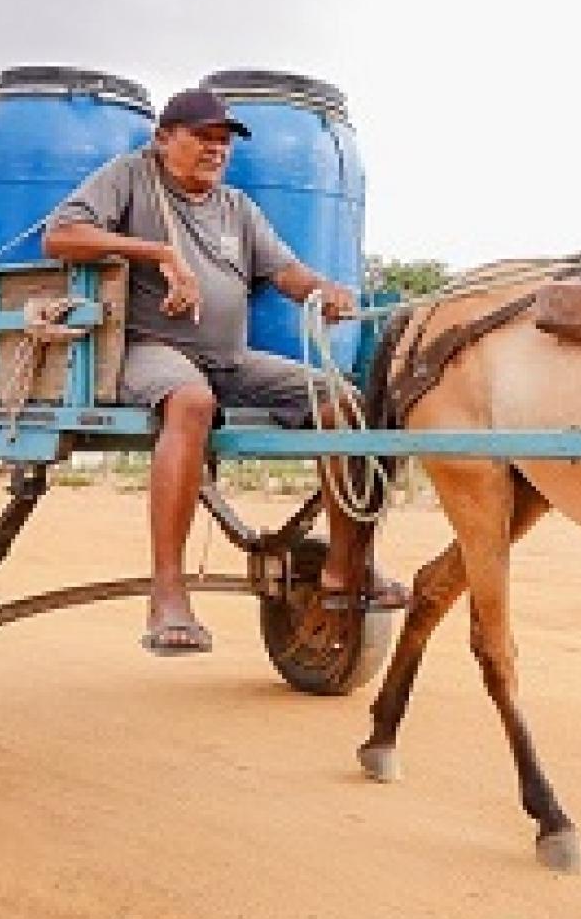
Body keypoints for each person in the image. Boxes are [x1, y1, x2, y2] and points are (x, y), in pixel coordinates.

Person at [42, 86, 406, 655]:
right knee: (191, 402)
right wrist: (160, 254)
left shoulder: (237, 206)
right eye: (203, 137)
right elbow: (61, 237)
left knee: (345, 402)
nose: (216, 150)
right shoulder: (131, 176)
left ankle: (344, 568)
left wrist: (324, 291)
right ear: (165, 138)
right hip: (148, 347)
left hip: (229, 359)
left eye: (223, 141)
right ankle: (168, 591)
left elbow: (286, 272)